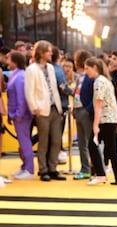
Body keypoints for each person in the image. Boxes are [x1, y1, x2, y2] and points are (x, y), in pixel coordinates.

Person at [24, 40, 66, 181]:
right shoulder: (31, 69)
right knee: (43, 141)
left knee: (56, 140)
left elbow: (54, 89)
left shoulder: (51, 68)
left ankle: (53, 168)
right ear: (41, 52)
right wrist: (34, 107)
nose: (51, 53)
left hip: (55, 108)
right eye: (48, 51)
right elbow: (29, 91)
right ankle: (43, 170)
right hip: (41, 110)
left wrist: (59, 107)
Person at [84, 57, 117, 185]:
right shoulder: (107, 81)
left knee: (94, 145)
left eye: (87, 68)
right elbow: (113, 102)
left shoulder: (99, 82)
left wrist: (95, 125)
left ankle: (101, 174)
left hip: (105, 120)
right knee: (111, 150)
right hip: (111, 119)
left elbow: (98, 104)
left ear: (94, 67)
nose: (86, 72)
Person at [6, 51, 34, 179]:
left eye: (9, 59)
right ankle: (25, 166)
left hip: (21, 115)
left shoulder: (21, 76)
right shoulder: (16, 75)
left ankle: (29, 169)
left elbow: (22, 99)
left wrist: (18, 114)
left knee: (25, 142)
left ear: (15, 61)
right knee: (23, 142)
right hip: (16, 114)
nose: (7, 62)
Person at [72, 50, 94, 180]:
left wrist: (87, 109)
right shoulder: (80, 77)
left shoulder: (89, 77)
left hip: (84, 111)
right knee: (82, 143)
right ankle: (86, 168)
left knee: (89, 142)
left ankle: (95, 167)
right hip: (79, 110)